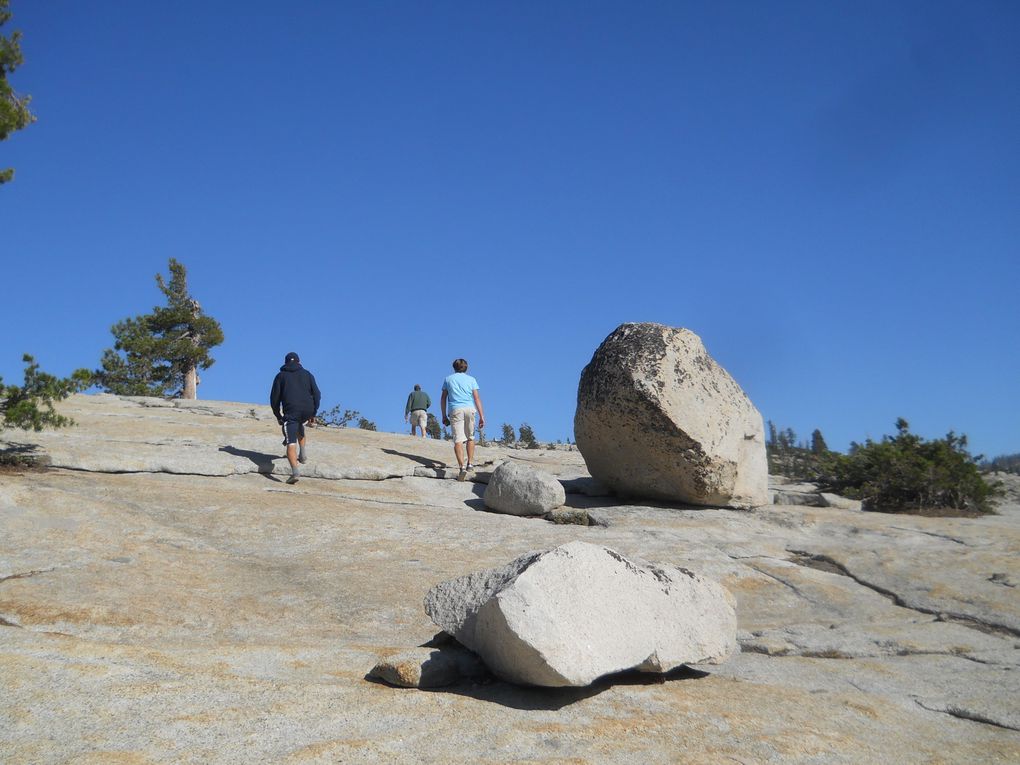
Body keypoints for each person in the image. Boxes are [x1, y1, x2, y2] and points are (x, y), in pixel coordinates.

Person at [270, 351, 321, 485]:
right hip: (307, 410)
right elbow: (317, 394)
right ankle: (303, 454)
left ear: (285, 363)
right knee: (299, 423)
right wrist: (313, 413)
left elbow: (274, 399)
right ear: (299, 362)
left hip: (291, 411)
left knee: (290, 441)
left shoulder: (280, 376)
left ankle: (295, 472)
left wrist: (278, 416)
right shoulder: (307, 374)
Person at [441, 358, 485, 480]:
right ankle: (470, 463)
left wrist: (444, 415)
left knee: (458, 440)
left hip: (456, 410)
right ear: (466, 367)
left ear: (454, 367)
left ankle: (462, 467)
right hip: (470, 409)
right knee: (470, 437)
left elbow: (443, 398)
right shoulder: (471, 380)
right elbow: (477, 398)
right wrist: (482, 416)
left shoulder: (448, 379)